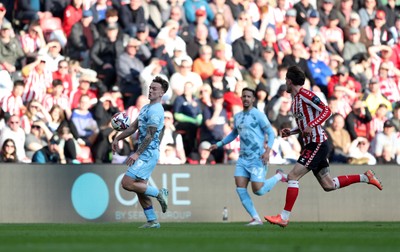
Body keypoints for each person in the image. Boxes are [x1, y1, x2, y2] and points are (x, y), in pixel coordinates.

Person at [264, 66, 383, 228]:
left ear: (290, 81)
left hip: (317, 143)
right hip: (313, 144)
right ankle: (365, 177)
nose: (285, 82)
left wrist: (311, 124)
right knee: (329, 185)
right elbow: (306, 126)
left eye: (286, 79)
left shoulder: (305, 94)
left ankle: (284, 217)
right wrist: (291, 131)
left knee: (293, 177)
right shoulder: (296, 100)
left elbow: (327, 111)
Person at [210, 87, 287, 226]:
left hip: (258, 157)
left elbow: (271, 133)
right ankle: (256, 218)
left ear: (253, 99)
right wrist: (219, 144)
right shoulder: (238, 116)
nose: (246, 98)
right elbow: (234, 133)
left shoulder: (258, 115)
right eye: (244, 96)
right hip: (243, 158)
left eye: (248, 96)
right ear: (241, 98)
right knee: (240, 187)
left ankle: (279, 176)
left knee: (258, 190)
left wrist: (268, 151)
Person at [111, 76, 169, 229]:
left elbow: (150, 135)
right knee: (140, 188)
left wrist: (137, 154)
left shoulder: (156, 111)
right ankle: (152, 221)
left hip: (147, 153)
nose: (150, 90)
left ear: (162, 93)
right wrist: (118, 137)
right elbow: (132, 128)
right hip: (146, 152)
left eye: (154, 88)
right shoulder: (146, 108)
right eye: (150, 87)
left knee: (127, 183)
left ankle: (159, 193)